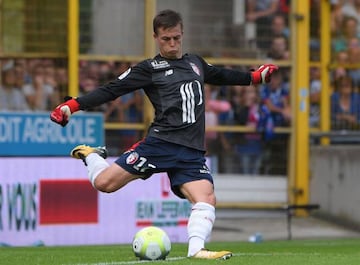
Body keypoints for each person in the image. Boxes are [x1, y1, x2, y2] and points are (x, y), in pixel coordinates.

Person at [50, 9, 278, 260]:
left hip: (191, 151)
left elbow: (223, 75)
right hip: (160, 144)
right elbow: (112, 90)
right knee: (104, 184)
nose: (172, 44)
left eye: (176, 38)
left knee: (206, 198)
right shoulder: (149, 68)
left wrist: (255, 77)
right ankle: (91, 155)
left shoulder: (196, 63)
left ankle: (197, 250)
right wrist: (72, 106)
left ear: (182, 35)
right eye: (166, 39)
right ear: (156, 37)